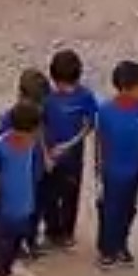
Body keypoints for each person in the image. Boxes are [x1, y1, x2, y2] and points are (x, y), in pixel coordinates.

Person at [94, 60, 138, 270]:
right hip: (113, 173)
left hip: (134, 170)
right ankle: (106, 250)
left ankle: (121, 245)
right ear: (124, 90)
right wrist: (99, 172)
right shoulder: (105, 111)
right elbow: (100, 142)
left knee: (130, 209)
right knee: (110, 212)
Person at [39, 49, 99, 249]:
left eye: (69, 85)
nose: (65, 89)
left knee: (70, 197)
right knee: (48, 196)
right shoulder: (47, 98)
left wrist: (69, 144)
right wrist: (46, 153)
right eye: (61, 85)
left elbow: (90, 125)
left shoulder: (85, 97)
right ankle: (51, 231)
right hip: (50, 157)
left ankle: (67, 233)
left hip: (72, 158)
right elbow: (39, 124)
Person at [0, 100, 47, 276]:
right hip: (6, 205)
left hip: (26, 202)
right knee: (5, 241)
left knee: (18, 237)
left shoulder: (33, 143)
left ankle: (7, 263)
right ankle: (2, 270)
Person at [0, 68, 51, 257]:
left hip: (35, 170)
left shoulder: (38, 113)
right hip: (15, 176)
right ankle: (15, 244)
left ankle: (31, 240)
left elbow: (41, 133)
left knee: (35, 209)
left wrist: (45, 157)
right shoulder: (9, 119)